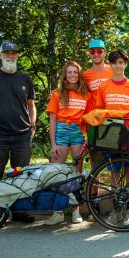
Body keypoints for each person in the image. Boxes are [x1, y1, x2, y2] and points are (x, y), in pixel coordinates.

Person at [0, 41, 36, 223]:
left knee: (20, 174)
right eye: (7, 53)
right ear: (0, 56)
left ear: (17, 55)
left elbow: (31, 105)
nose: (10, 56)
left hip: (21, 135)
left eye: (14, 53)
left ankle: (19, 212)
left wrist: (32, 126)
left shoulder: (25, 79)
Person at [95, 49, 129, 226]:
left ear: (125, 64)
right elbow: (99, 112)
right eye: (114, 62)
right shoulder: (103, 86)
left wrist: (123, 116)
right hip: (111, 137)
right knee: (114, 173)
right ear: (111, 64)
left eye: (121, 62)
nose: (117, 66)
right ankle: (117, 209)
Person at [44, 61, 90, 225]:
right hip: (62, 130)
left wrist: (87, 140)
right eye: (69, 72)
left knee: (76, 172)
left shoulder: (85, 93)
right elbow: (52, 120)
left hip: (78, 130)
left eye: (75, 72)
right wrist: (53, 143)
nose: (72, 75)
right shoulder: (57, 94)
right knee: (58, 171)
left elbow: (90, 118)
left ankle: (75, 210)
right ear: (65, 74)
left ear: (79, 75)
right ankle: (57, 212)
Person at [82, 39, 113, 221]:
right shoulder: (85, 76)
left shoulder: (113, 70)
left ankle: (121, 205)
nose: (96, 54)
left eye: (99, 51)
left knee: (119, 164)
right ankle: (95, 205)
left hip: (113, 123)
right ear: (89, 54)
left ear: (104, 52)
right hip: (94, 125)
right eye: (92, 52)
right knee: (96, 168)